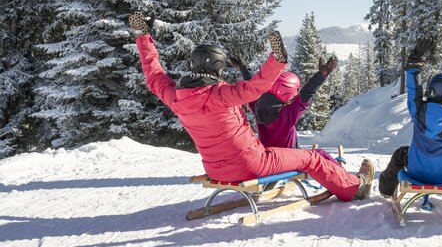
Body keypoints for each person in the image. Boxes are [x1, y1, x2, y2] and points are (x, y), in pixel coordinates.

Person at [129, 12, 373, 201]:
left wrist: (143, 37)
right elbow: (256, 86)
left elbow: (154, 76)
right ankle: (354, 189)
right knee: (311, 158)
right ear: (219, 68)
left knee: (302, 156)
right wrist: (277, 59)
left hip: (215, 170)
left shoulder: (176, 97)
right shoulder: (222, 94)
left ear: (192, 65)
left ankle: (344, 181)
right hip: (254, 164)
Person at [378, 37, 442, 196]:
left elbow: (414, 88)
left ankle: (385, 190)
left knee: (401, 154)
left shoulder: (418, 111)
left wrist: (416, 57)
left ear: (430, 91)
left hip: (416, 173)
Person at [228, 54, 338, 150]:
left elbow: (252, 86)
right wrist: (322, 75)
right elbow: (306, 93)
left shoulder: (257, 104)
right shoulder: (288, 114)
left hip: (266, 158)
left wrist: (243, 68)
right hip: (287, 161)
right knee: (318, 157)